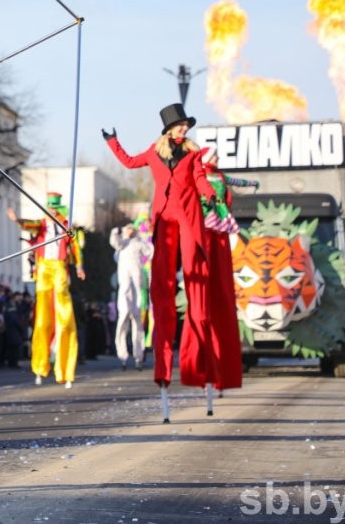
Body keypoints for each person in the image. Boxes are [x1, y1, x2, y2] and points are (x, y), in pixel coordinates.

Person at [103, 103, 220, 400]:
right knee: (163, 288)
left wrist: (210, 196)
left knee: (195, 279)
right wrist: (113, 142)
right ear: (169, 128)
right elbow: (129, 163)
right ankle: (163, 365)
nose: (184, 129)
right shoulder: (154, 152)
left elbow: (199, 178)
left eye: (186, 125)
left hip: (188, 218)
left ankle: (199, 356)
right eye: (180, 125)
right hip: (165, 220)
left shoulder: (193, 152)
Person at [7, 193, 85, 388]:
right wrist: (17, 220)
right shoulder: (42, 224)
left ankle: (65, 370)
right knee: (42, 322)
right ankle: (40, 367)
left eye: (53, 208)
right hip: (43, 270)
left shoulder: (67, 225)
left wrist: (79, 266)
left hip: (59, 269)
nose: (50, 211)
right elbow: (30, 225)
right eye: (48, 208)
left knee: (65, 320)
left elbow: (75, 246)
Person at [199, 145, 253, 392]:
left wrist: (251, 183)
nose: (218, 159)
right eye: (215, 155)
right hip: (207, 225)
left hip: (222, 226)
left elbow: (234, 180)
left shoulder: (219, 176)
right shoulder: (200, 174)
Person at [109, 222, 152, 370]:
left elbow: (150, 251)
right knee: (122, 323)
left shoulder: (138, 243)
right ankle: (122, 355)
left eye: (132, 229)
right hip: (124, 292)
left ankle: (138, 356)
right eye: (129, 230)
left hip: (137, 292)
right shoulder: (122, 244)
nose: (131, 232)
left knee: (138, 326)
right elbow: (115, 241)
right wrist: (117, 231)